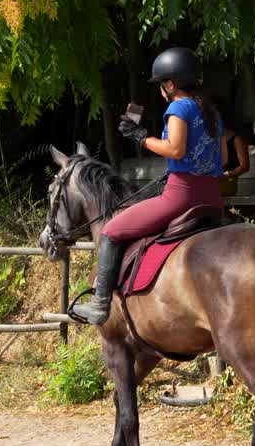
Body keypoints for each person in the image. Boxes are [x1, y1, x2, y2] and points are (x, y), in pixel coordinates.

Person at [69, 46, 224, 325]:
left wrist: (141, 138)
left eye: (161, 85)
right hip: (212, 197)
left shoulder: (178, 106)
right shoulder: (211, 111)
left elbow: (175, 150)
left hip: (182, 197)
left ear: (171, 84)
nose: (161, 91)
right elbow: (221, 157)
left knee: (111, 231)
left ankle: (99, 305)